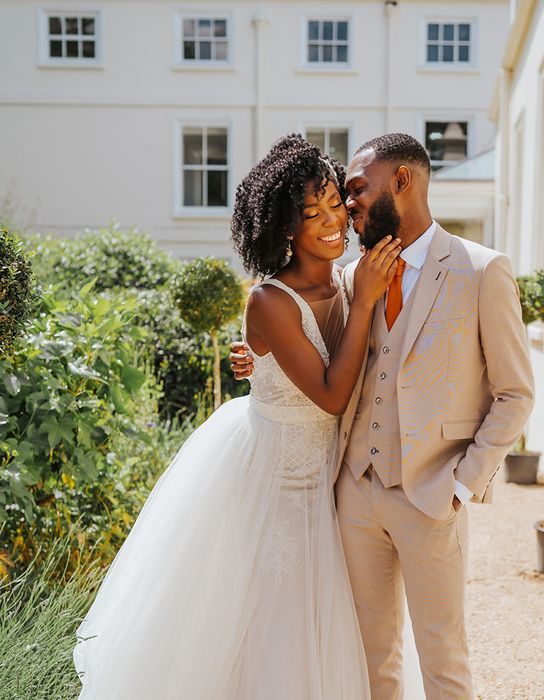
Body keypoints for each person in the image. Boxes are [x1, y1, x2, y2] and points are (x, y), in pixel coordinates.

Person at [73, 134, 401, 699]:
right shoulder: (270, 301)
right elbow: (330, 395)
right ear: (283, 227)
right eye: (310, 212)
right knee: (270, 631)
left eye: (334, 206)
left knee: (344, 626)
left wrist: (362, 296)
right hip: (274, 486)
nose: (331, 222)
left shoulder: (350, 281)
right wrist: (367, 300)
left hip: (334, 481)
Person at [231, 132, 535, 699]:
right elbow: (310, 341)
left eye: (355, 191)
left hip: (433, 496)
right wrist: (255, 356)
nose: (347, 208)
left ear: (402, 181)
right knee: (372, 658)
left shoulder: (481, 271)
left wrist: (463, 486)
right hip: (355, 494)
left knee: (443, 660)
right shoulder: (352, 278)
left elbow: (515, 394)